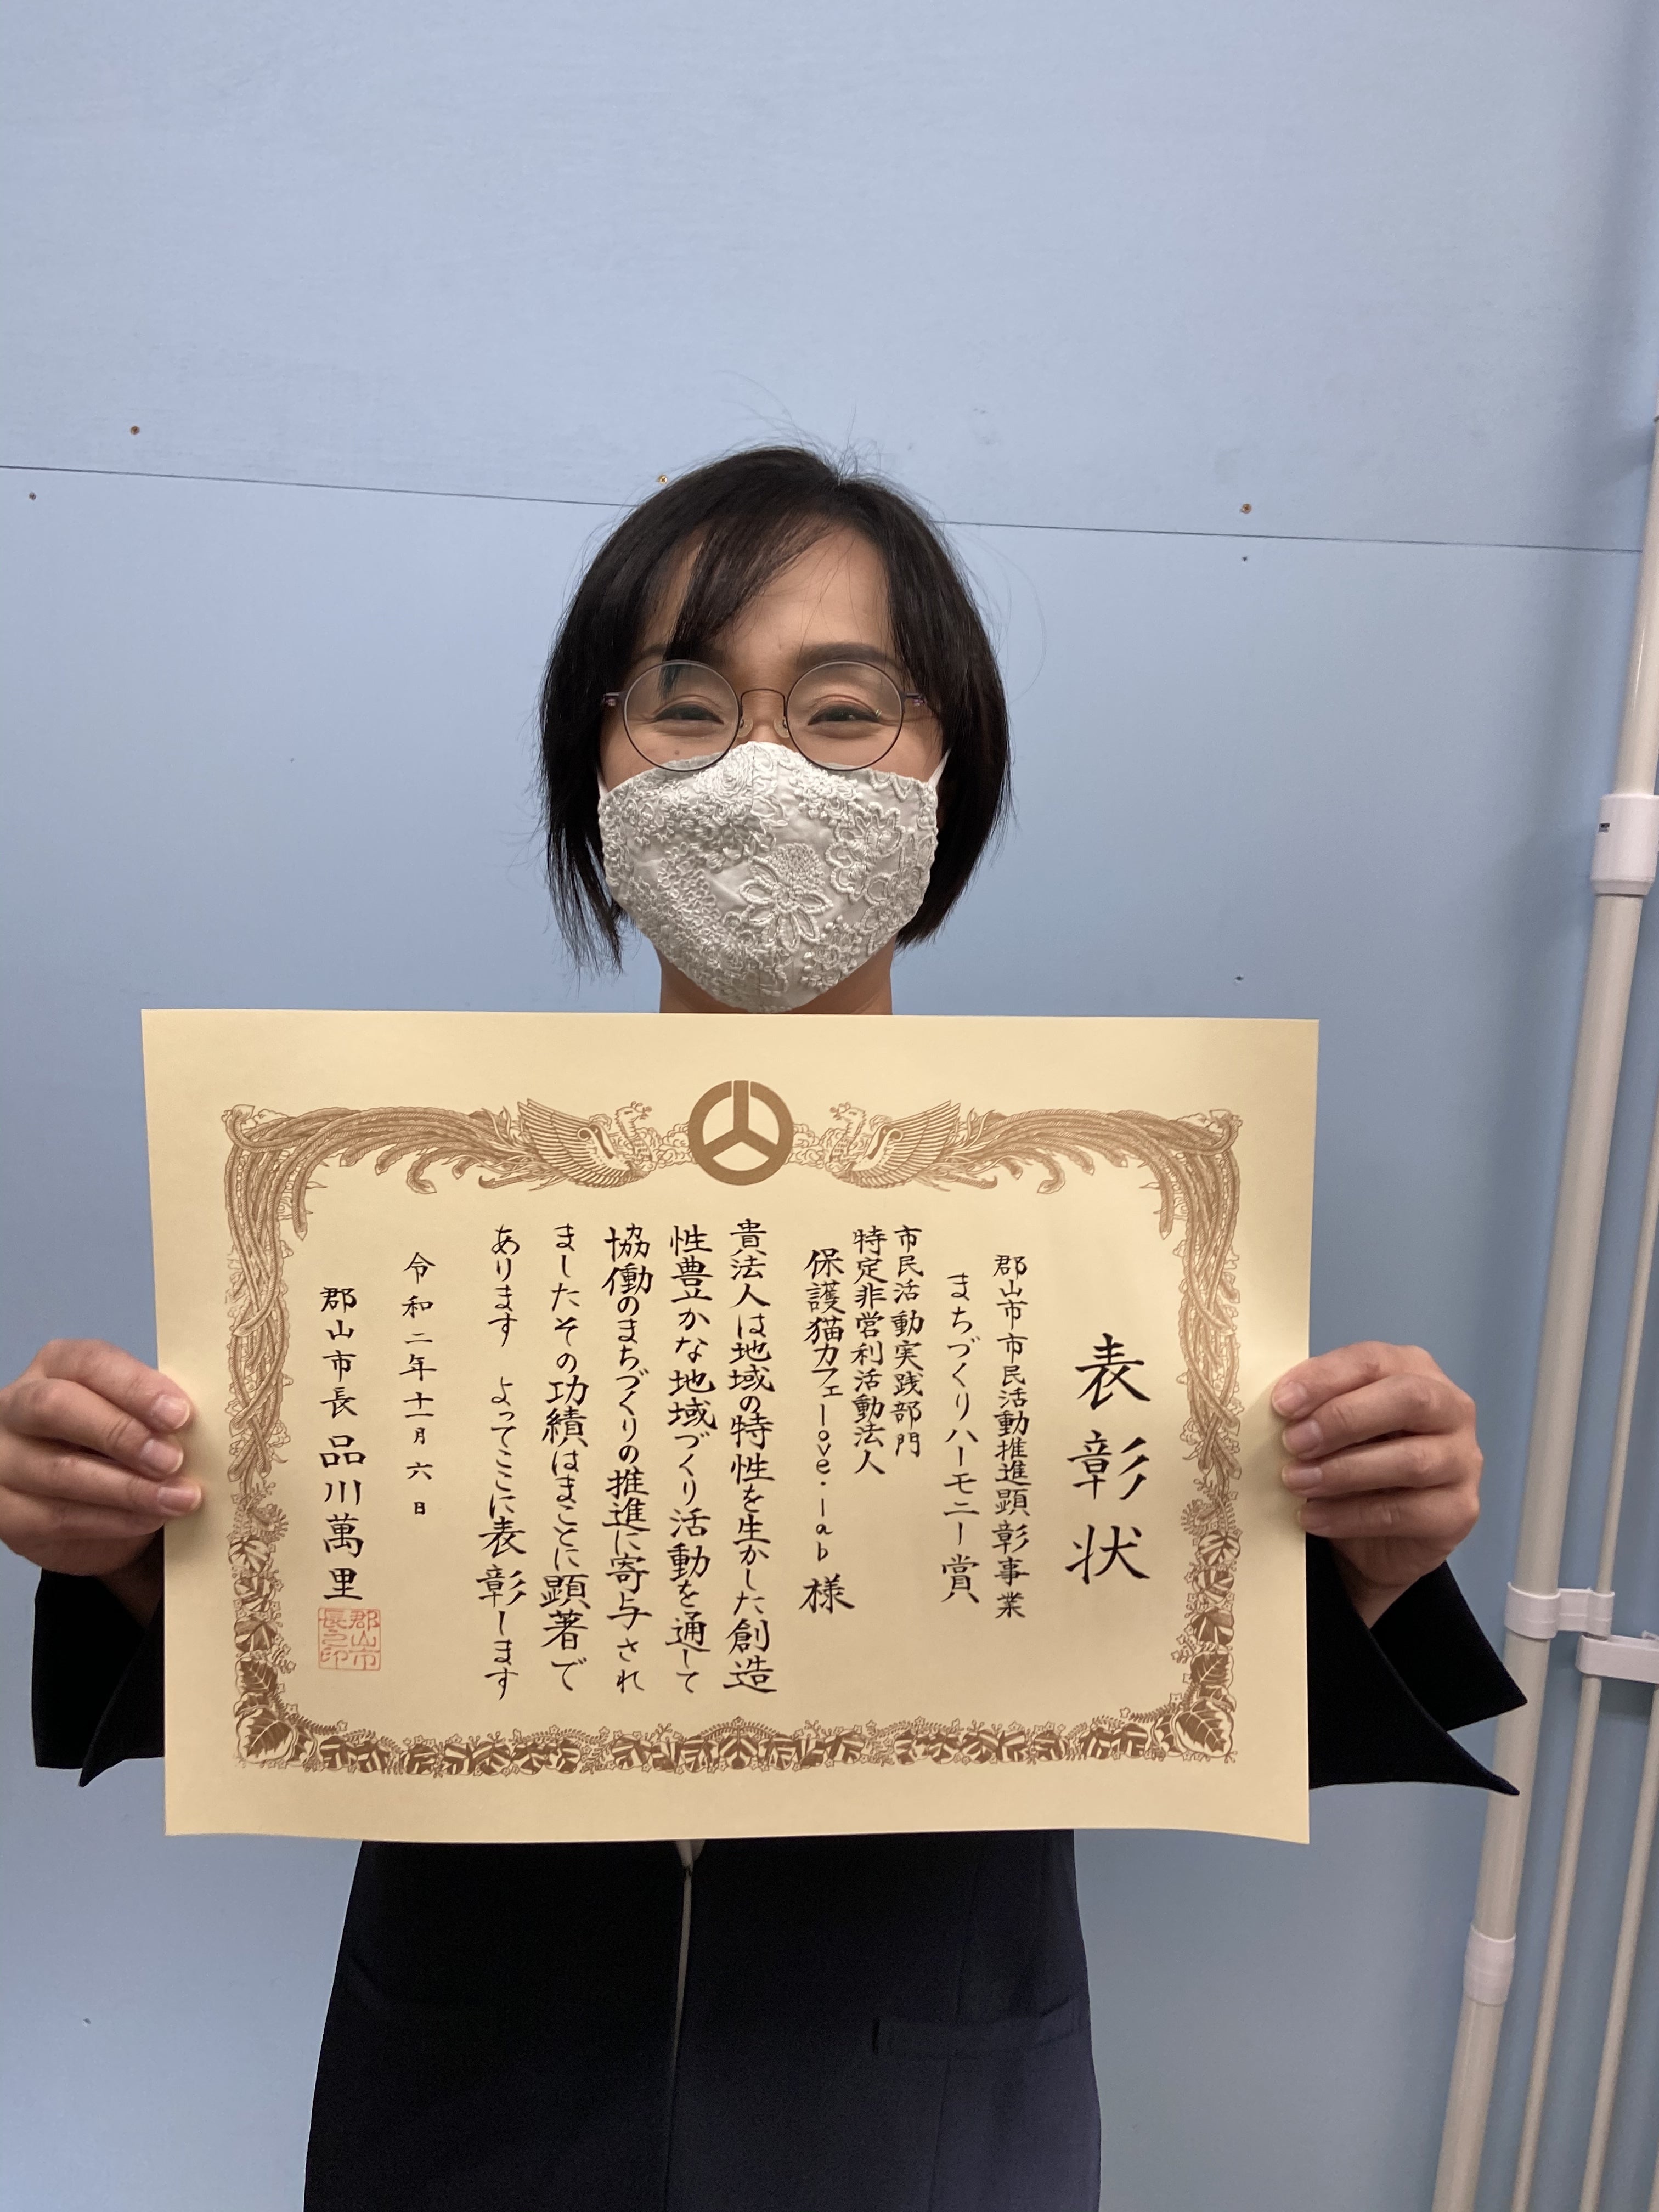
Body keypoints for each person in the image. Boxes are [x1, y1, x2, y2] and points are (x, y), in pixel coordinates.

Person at [4, 447, 1520, 2211]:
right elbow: (317, 1631)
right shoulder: (413, 1221)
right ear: (596, 770)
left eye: (843, 709)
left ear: (948, 768)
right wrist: (121, 1543)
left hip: (924, 2107)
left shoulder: (1089, 1228)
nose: (761, 767)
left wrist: (1369, 1556)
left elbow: (1179, 1673)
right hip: (469, 2092)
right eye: (689, 704)